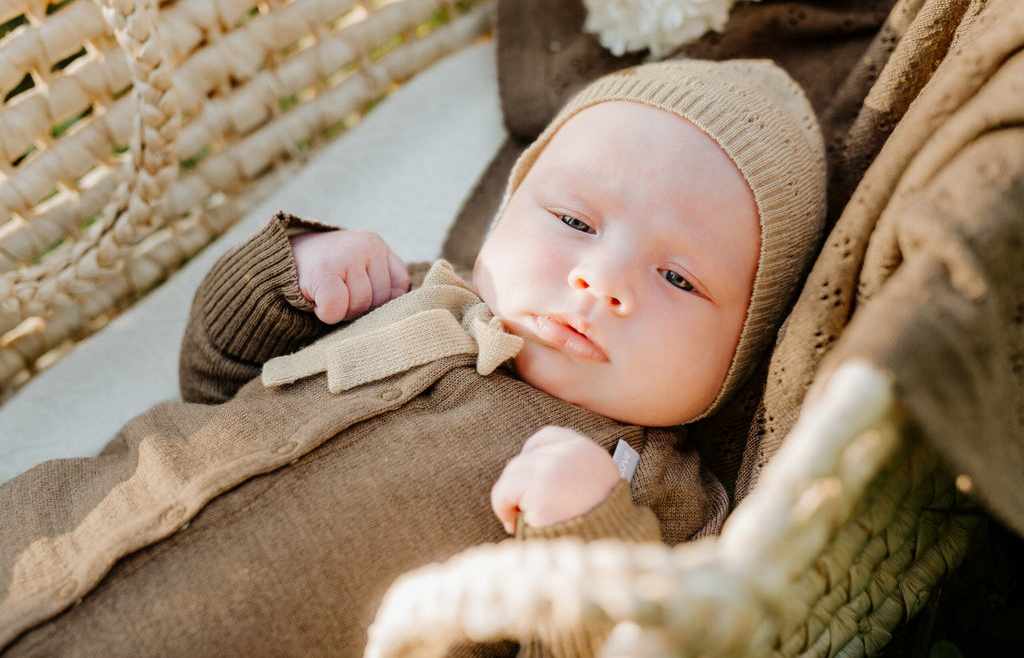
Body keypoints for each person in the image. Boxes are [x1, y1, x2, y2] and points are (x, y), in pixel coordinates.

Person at [0, 59, 826, 656]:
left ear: (744, 346)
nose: (600, 279)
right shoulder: (411, 293)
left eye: (679, 277)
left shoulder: (661, 498)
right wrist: (285, 277)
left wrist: (584, 533)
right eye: (574, 221)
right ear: (506, 214)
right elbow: (214, 384)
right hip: (36, 531)